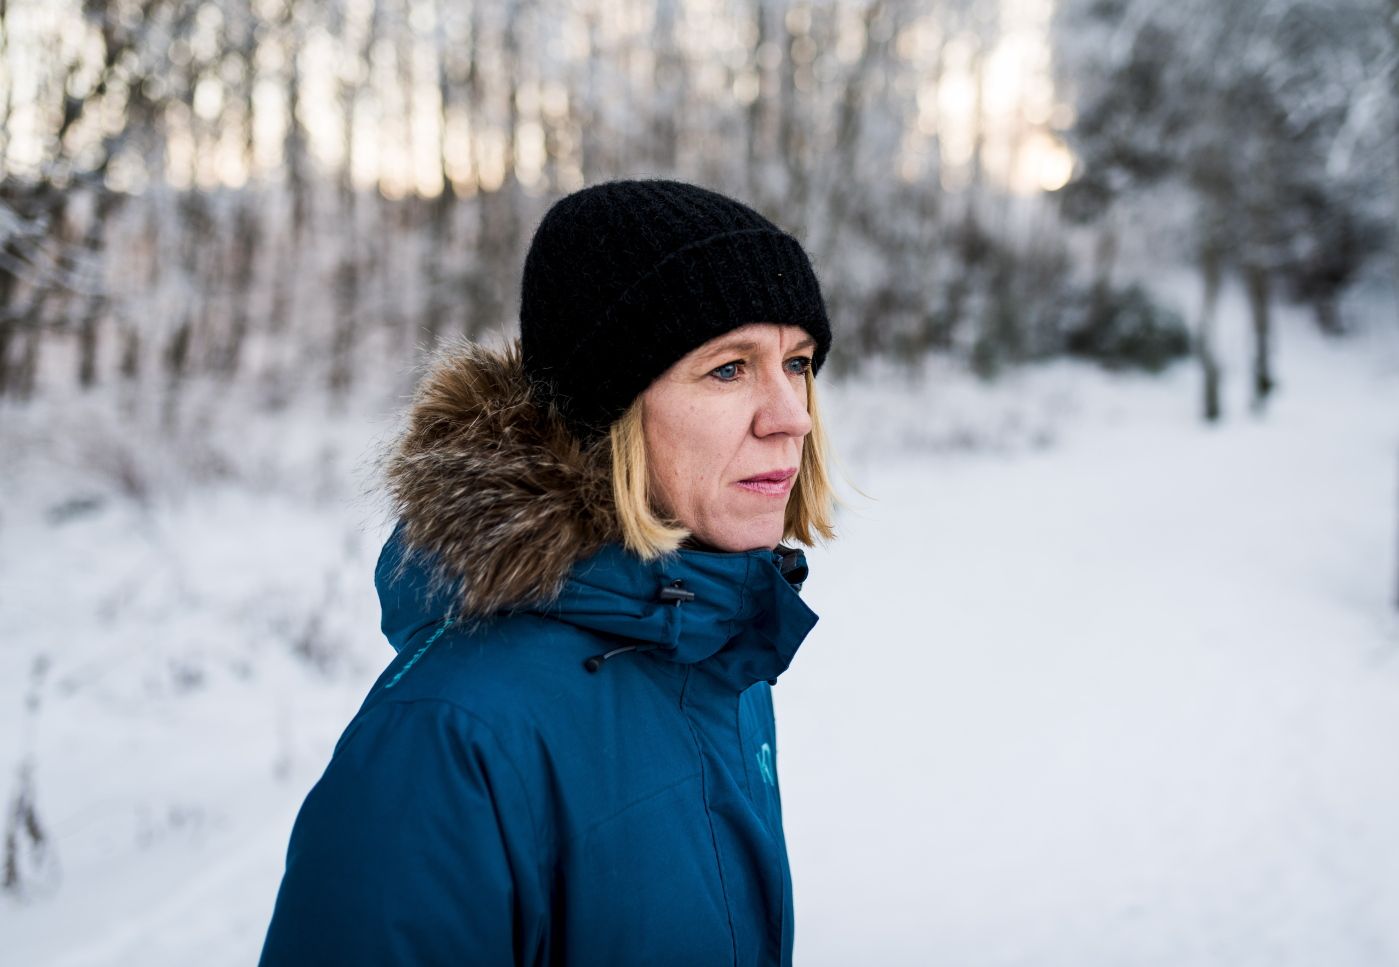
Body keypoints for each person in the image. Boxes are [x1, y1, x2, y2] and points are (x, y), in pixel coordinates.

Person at [258, 178, 837, 966]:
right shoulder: (448, 739)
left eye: (796, 363)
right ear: (608, 408)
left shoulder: (715, 647)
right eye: (728, 369)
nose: (792, 415)